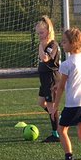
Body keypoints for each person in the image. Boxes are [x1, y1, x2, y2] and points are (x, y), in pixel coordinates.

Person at [49, 28, 81, 160]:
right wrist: (60, 84)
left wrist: (55, 106)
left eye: (65, 41)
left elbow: (61, 87)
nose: (62, 44)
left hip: (74, 103)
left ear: (73, 43)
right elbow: (75, 80)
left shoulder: (66, 64)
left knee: (62, 130)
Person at [34, 15, 61, 143]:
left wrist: (40, 46)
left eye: (41, 32)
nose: (39, 35)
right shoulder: (45, 44)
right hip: (44, 80)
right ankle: (57, 117)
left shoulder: (52, 44)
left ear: (48, 31)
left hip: (51, 80)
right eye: (38, 33)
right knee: (41, 102)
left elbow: (45, 58)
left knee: (51, 107)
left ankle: (56, 134)